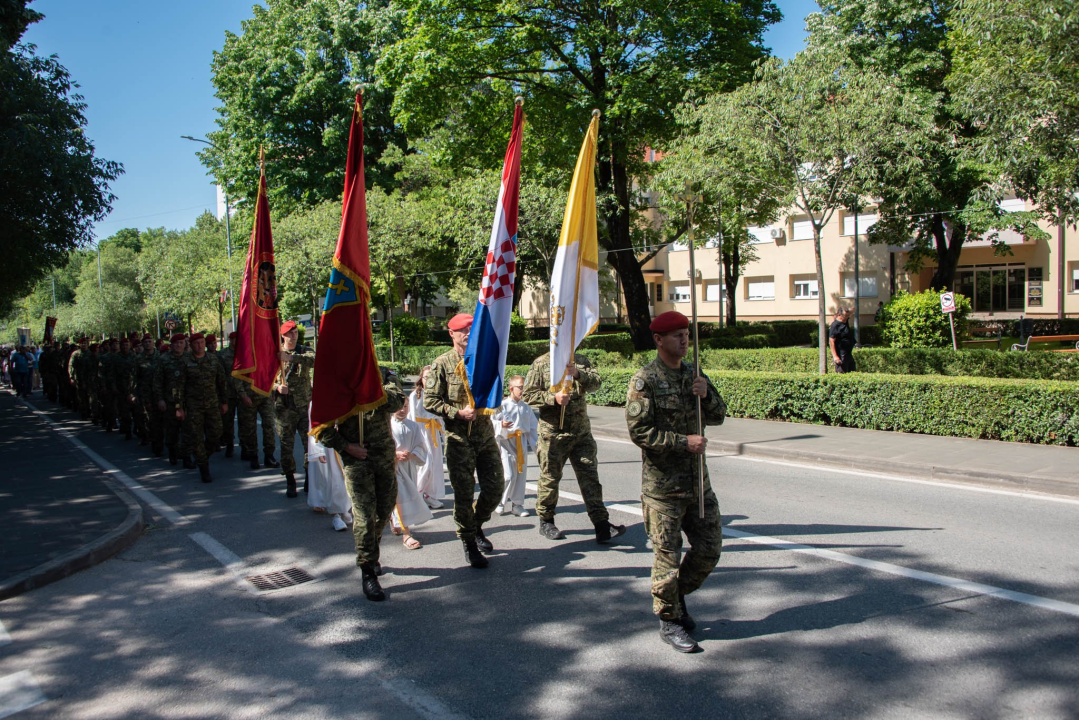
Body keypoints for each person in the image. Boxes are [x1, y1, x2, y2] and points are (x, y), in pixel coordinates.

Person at [625, 310, 727, 654]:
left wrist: (706, 394)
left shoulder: (694, 374)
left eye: (687, 334)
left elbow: (719, 416)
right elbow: (640, 432)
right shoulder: (646, 380)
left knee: (710, 550)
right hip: (663, 489)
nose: (685, 341)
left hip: (699, 485)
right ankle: (669, 620)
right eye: (677, 336)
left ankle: (676, 597)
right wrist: (684, 442)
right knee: (667, 559)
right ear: (658, 340)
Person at [422, 313, 505, 569]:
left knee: (495, 488)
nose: (468, 334)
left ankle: (476, 524)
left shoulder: (484, 360)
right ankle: (469, 542)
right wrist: (456, 412)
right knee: (464, 494)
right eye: (463, 331)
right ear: (452, 334)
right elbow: (430, 401)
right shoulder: (442, 364)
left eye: (472, 329)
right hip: (459, 439)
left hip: (485, 436)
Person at [317, 367, 405, 601]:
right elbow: (321, 427)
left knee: (384, 510)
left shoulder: (385, 375)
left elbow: (397, 401)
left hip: (384, 456)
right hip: (356, 456)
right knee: (364, 515)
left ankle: (372, 551)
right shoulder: (336, 380)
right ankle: (367, 571)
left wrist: (370, 387)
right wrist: (346, 447)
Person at [522, 351, 625, 543]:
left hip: (581, 433)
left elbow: (596, 383)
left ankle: (601, 524)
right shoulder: (541, 363)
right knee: (550, 478)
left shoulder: (580, 361)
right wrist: (554, 398)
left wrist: (578, 374)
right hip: (553, 433)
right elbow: (528, 395)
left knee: (590, 478)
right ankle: (546, 521)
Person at [273, 321, 314, 498]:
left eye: (295, 332)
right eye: (289, 333)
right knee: (286, 447)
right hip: (284, 409)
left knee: (310, 446)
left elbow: (314, 360)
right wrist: (276, 387)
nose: (293, 336)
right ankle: (290, 479)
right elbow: (264, 380)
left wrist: (291, 358)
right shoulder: (275, 354)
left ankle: (309, 477)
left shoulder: (304, 350)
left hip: (304, 406)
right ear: (283, 335)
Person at [181, 333, 228, 483]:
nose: (200, 345)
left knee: (216, 433)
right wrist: (179, 407)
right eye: (196, 343)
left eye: (202, 342)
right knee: (196, 436)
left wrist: (224, 401)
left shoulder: (213, 360)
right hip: (193, 406)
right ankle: (204, 467)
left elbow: (221, 382)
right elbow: (179, 386)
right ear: (192, 345)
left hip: (212, 404)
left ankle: (203, 456)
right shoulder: (185, 361)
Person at [492, 375, 537, 517]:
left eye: (524, 387)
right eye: (520, 387)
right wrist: (501, 425)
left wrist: (538, 448)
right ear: (511, 388)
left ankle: (517, 505)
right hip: (506, 443)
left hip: (521, 443)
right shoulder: (502, 406)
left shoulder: (526, 408)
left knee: (520, 475)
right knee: (509, 475)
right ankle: (499, 502)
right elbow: (491, 422)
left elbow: (533, 429)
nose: (523, 390)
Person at [389, 405, 433, 550]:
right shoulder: (386, 425)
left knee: (405, 497)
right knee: (400, 497)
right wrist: (394, 454)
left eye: (406, 406)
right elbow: (380, 445)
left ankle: (395, 520)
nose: (402, 409)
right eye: (399, 406)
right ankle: (406, 533)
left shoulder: (413, 426)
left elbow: (420, 446)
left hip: (408, 466)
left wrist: (412, 454)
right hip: (392, 467)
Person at [306, 404, 353, 532]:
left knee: (347, 479)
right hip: (327, 447)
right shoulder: (317, 401)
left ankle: (345, 509)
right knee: (333, 481)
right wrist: (318, 451)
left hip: (345, 444)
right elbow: (314, 427)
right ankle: (336, 516)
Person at [407, 365, 446, 509]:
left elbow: (441, 416)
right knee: (425, 464)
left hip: (433, 432)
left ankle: (431, 495)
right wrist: (412, 437)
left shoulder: (437, 395)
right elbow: (411, 417)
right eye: (425, 377)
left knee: (435, 465)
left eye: (431, 377)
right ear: (421, 378)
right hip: (420, 432)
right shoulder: (415, 396)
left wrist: (444, 433)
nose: (428, 380)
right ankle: (416, 494)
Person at [153, 334, 189, 466]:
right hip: (170, 401)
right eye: (176, 343)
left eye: (181, 343)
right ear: (171, 345)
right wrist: (160, 399)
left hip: (187, 401)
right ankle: (173, 453)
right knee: (172, 430)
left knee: (188, 430)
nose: (178, 345)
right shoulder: (163, 360)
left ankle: (186, 457)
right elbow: (157, 382)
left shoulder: (189, 358)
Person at [237, 365, 279, 471]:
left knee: (269, 425)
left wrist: (273, 391)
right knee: (250, 428)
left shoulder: (265, 353)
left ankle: (269, 455)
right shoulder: (246, 351)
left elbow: (272, 372)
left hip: (265, 395)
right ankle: (253, 455)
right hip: (249, 396)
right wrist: (243, 395)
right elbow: (237, 375)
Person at [135, 334, 162, 453]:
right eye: (145, 342)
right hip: (146, 394)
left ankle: (161, 442)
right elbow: (134, 377)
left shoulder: (161, 356)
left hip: (160, 393)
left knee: (162, 421)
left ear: (153, 342)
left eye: (149, 341)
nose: (147, 344)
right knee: (151, 420)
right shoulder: (138, 359)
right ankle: (155, 444)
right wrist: (133, 394)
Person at [216, 332, 239, 457]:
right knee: (228, 422)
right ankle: (229, 445)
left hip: (242, 393)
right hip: (228, 393)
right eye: (234, 339)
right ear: (230, 340)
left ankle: (247, 447)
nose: (236, 341)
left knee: (246, 422)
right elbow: (219, 376)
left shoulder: (244, 353)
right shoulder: (222, 355)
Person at [829, 307, 856, 374]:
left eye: (847, 316)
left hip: (848, 353)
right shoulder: (835, 325)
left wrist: (849, 310)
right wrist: (835, 357)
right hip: (841, 355)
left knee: (852, 372)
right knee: (842, 373)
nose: (847, 317)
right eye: (845, 316)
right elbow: (831, 341)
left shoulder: (845, 320)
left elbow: (852, 310)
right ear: (839, 315)